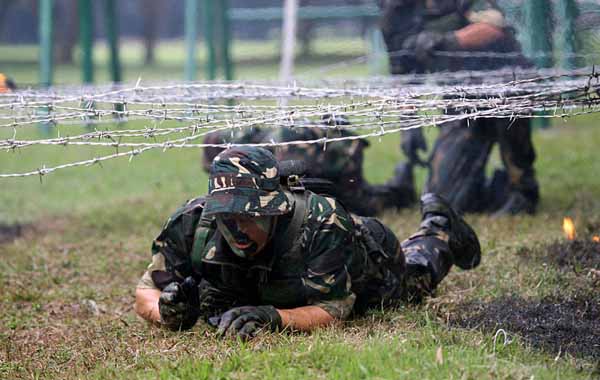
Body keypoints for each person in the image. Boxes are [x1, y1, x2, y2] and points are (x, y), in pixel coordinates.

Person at [135, 146, 481, 339]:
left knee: (414, 279)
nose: (238, 230)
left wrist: (274, 318)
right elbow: (146, 291)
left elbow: (335, 308)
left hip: (366, 264)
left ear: (275, 210)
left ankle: (439, 226)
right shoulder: (193, 223)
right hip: (266, 281)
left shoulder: (322, 221)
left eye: (250, 217)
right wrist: (167, 311)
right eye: (229, 219)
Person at [380, 0, 539, 215]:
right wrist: (408, 123)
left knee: (509, 98)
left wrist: (447, 40)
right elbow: (402, 73)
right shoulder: (397, 12)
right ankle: (490, 187)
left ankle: (522, 188)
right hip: (460, 101)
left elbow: (494, 27)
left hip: (504, 83)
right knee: (442, 200)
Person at [202, 115, 415, 217]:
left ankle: (401, 189)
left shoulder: (277, 147)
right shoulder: (260, 146)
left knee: (362, 205)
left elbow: (296, 182)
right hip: (319, 160)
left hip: (341, 154)